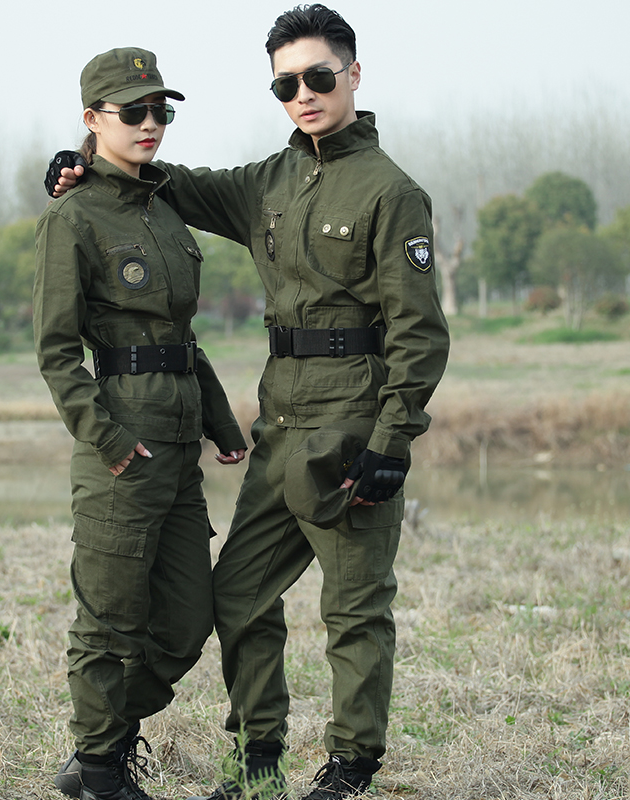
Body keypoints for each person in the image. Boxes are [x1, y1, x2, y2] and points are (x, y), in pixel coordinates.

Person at [48, 6, 450, 798]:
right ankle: (256, 762)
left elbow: (420, 333)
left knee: (355, 608)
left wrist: (391, 442)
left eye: (318, 77)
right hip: (281, 426)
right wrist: (81, 163)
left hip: (352, 427)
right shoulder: (269, 181)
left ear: (353, 75)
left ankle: (349, 769)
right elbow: (163, 179)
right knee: (237, 594)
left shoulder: (392, 192)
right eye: (285, 85)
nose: (303, 94)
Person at [34, 47, 247, 800]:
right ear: (93, 119)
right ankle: (101, 772)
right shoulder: (72, 216)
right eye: (134, 111)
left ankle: (98, 743)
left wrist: (222, 422)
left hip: (179, 443)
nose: (150, 123)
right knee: (110, 620)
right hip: (122, 443)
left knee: (187, 619)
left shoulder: (163, 207)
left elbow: (179, 336)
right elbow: (56, 352)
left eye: (161, 111)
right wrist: (109, 438)